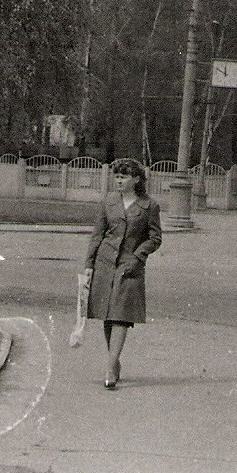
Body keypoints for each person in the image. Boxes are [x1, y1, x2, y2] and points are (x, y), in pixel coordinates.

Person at [84, 160, 162, 390]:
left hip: (130, 265)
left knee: (121, 316)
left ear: (137, 179)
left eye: (124, 177)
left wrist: (138, 256)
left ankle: (109, 368)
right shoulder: (109, 201)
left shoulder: (149, 206)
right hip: (105, 263)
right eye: (117, 177)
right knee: (108, 315)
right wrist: (89, 264)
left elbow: (155, 238)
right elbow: (97, 234)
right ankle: (114, 361)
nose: (119, 180)